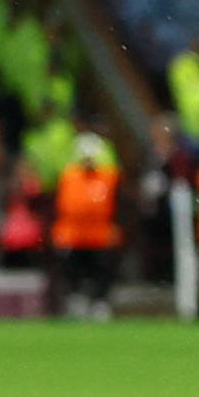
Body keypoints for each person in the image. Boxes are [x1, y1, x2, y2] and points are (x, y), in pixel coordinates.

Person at [47, 128, 123, 313]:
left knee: (101, 271)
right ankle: (77, 300)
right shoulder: (68, 177)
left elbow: (119, 205)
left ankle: (100, 302)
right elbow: (58, 205)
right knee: (73, 271)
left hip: (99, 234)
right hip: (73, 234)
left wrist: (116, 227)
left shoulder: (108, 177)